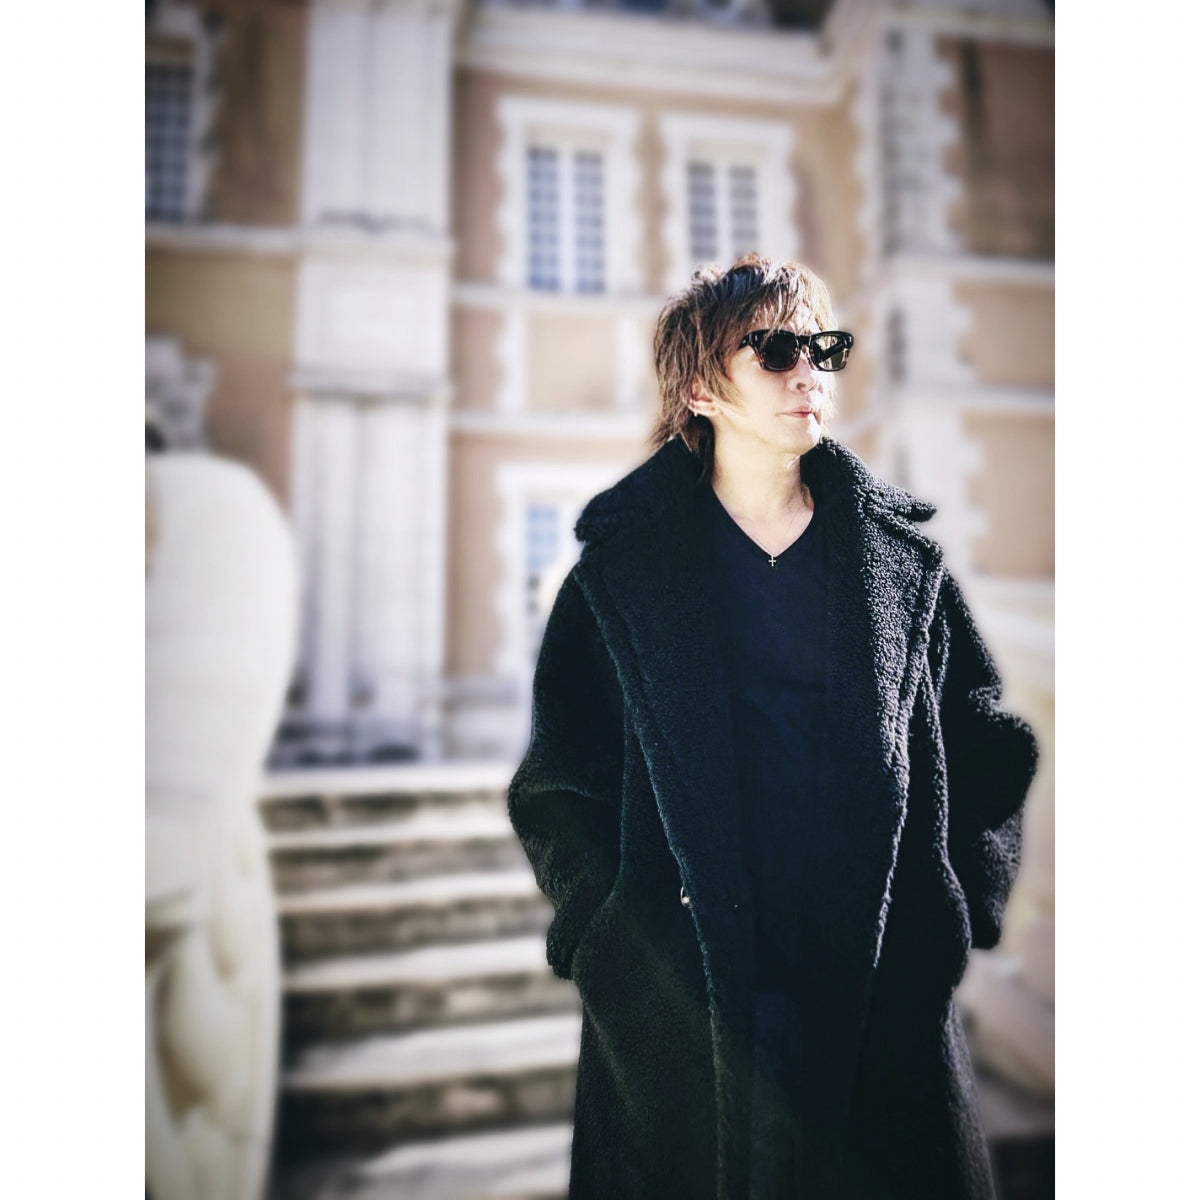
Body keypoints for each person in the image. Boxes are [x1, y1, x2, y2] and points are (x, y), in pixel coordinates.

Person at [507, 254, 1037, 1200]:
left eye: (823, 350)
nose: (810, 375)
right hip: (687, 1007)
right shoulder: (618, 578)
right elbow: (559, 789)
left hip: (875, 990)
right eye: (777, 351)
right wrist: (610, 944)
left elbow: (987, 745)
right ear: (701, 389)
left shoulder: (900, 564)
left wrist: (952, 914)